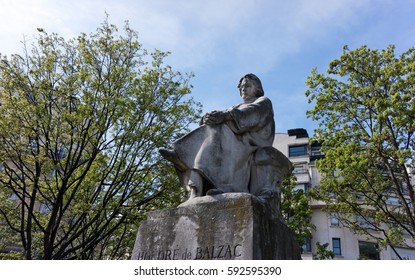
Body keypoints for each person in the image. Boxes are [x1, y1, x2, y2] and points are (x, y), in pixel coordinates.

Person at [159, 73, 275, 199]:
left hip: (250, 143)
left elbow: (251, 115)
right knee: (211, 129)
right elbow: (226, 115)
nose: (243, 89)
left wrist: (225, 116)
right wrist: (207, 118)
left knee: (218, 130)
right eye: (241, 87)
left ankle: (184, 158)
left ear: (257, 89)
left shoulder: (263, 101)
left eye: (247, 86)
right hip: (231, 138)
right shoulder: (235, 106)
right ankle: (194, 188)